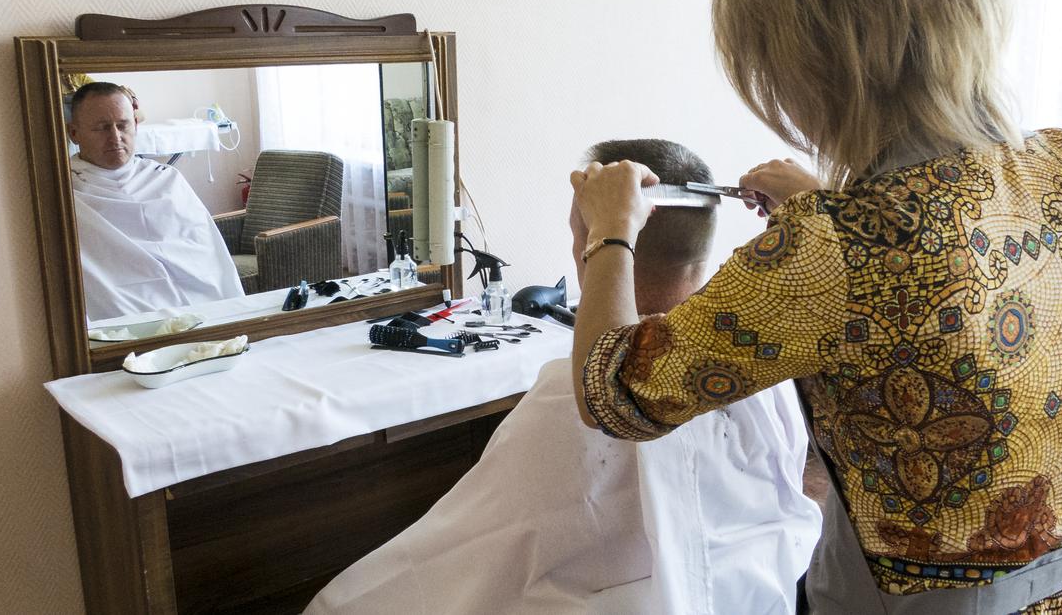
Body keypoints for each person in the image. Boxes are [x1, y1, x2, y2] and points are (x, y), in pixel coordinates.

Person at [572, 0, 1062, 615]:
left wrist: (608, 232)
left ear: (818, 68)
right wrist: (832, 210)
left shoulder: (833, 249)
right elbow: (956, 280)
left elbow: (611, 394)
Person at [307, 140, 821, 615]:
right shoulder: (764, 355)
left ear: (591, 240)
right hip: (749, 592)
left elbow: (474, 552)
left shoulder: (577, 392)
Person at [69, 82, 244, 321]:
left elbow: (206, 252)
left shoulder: (167, 178)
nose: (115, 137)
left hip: (200, 302)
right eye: (101, 128)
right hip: (123, 311)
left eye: (123, 125)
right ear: (74, 133)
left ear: (136, 126)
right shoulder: (64, 192)